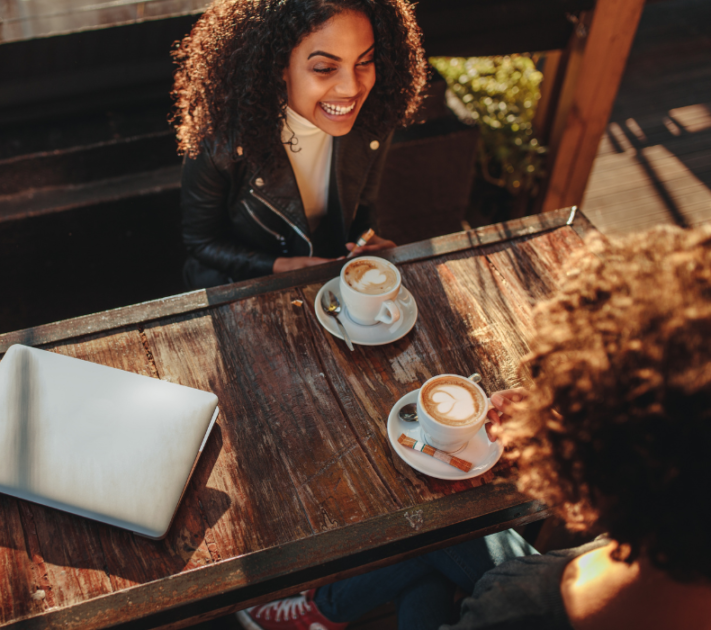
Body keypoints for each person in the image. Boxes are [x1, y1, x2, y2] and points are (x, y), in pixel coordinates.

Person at [237, 225, 711, 630]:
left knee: (426, 531)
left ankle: (323, 610)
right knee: (438, 534)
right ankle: (326, 610)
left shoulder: (515, 611)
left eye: (562, 398)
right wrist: (563, 423)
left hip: (518, 589)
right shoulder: (679, 527)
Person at [171, 0, 427, 289]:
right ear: (278, 64)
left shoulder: (374, 120)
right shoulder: (220, 143)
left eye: (364, 61)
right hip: (241, 292)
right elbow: (202, 243)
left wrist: (367, 242)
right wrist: (280, 267)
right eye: (325, 68)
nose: (352, 88)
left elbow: (363, 206)